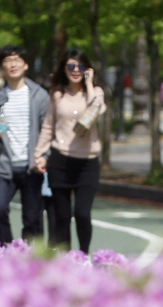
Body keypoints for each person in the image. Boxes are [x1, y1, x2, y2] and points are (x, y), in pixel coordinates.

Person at [34, 49, 106, 254]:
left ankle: (84, 256)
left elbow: (98, 110)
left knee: (82, 213)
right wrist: (39, 154)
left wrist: (89, 84)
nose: (75, 71)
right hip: (61, 160)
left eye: (80, 67)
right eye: (70, 66)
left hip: (88, 162)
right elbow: (48, 126)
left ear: (87, 69)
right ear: (64, 69)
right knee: (62, 217)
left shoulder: (96, 93)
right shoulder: (57, 93)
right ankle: (65, 262)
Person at [0, 46, 50, 246]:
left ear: (26, 65)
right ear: (2, 68)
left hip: (31, 166)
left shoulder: (39, 95)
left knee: (32, 219)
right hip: (5, 165)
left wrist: (45, 155)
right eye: (8, 61)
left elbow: (48, 129)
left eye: (17, 60)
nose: (13, 64)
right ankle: (6, 251)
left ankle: (29, 259)